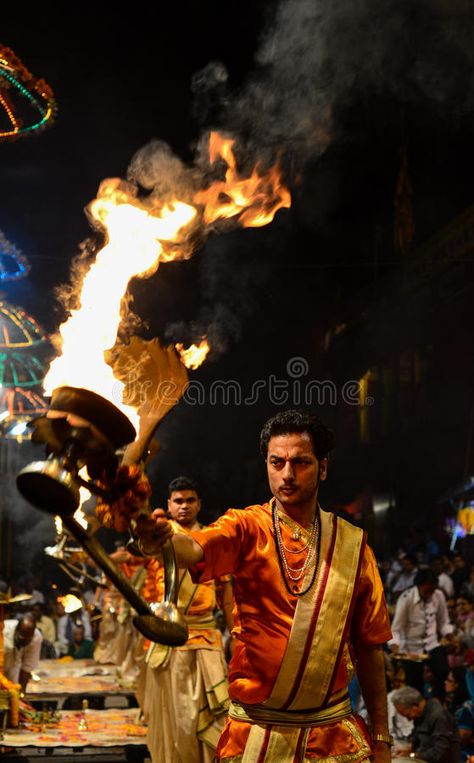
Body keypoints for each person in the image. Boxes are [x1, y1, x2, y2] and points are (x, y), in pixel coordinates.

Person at [136, 409, 393, 762]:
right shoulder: (245, 527)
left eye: (300, 462)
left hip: (332, 736)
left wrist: (381, 737)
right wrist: (160, 541)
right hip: (257, 736)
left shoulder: (353, 546)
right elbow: (193, 548)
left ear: (323, 467)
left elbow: (370, 646)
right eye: (277, 462)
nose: (287, 474)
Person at [142, 476, 232, 763]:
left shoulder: (213, 538)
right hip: (173, 642)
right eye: (178, 501)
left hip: (208, 640)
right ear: (168, 505)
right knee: (179, 721)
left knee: (215, 718)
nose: (184, 506)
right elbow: (142, 541)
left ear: (199, 504)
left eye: (189, 500)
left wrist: (238, 637)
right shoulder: (160, 535)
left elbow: (227, 593)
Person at [389, 568, 454, 696]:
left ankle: (440, 703)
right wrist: (394, 646)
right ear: (418, 586)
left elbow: (443, 622)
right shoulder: (406, 599)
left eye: (432, 590)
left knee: (443, 673)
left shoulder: (438, 595)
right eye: (427, 591)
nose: (430, 594)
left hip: (432, 645)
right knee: (414, 686)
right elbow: (396, 629)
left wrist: (450, 636)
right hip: (411, 650)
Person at [391, 685, 460, 762]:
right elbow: (415, 739)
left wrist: (412, 755)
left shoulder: (438, 716)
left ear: (415, 706)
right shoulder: (420, 715)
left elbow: (439, 753)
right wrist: (408, 748)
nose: (408, 719)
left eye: (407, 715)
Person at [3, 613, 43, 691]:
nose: (25, 640)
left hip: (13, 671)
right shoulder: (4, 629)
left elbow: (27, 667)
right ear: (17, 630)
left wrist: (21, 693)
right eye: (22, 636)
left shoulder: (36, 637)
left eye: (28, 638)